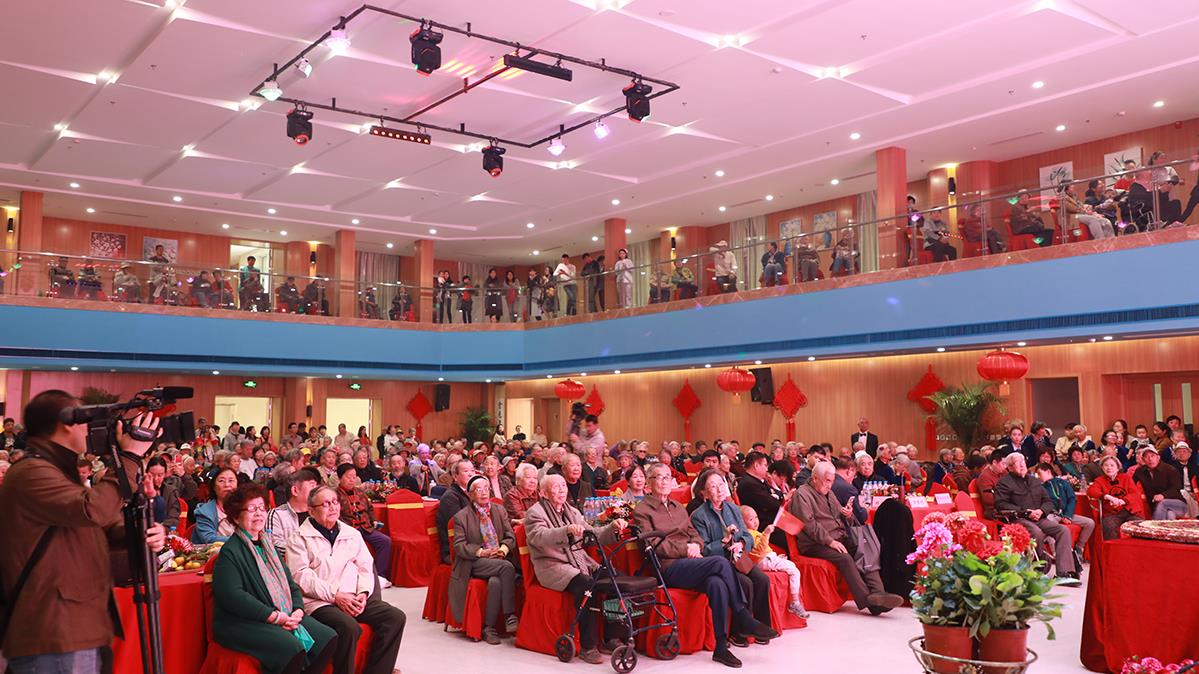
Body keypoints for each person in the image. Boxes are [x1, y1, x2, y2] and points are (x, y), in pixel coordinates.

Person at [0, 392, 165, 673]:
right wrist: (129, 456)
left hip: (76, 626)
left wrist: (144, 530)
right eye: (85, 420)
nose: (89, 430)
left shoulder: (59, 471)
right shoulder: (30, 473)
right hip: (54, 632)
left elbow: (99, 526)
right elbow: (92, 510)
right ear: (66, 424)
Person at [633, 463, 777, 668]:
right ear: (649, 483)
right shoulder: (642, 510)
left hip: (692, 562)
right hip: (668, 567)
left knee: (716, 583)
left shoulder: (677, 507)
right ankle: (742, 616)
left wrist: (695, 546)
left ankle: (720, 647)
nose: (665, 481)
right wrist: (686, 549)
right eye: (660, 477)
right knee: (720, 562)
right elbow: (653, 545)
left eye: (668, 477)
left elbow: (695, 536)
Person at [210, 482, 337, 674]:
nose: (259, 514)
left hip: (282, 612)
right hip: (242, 621)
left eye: (262, 508)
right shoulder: (230, 551)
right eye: (251, 509)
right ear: (236, 516)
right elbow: (233, 596)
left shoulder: (268, 546)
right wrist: (274, 616)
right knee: (290, 647)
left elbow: (290, 583)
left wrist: (297, 610)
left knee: (327, 637)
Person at [286, 486, 406, 674]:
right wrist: (335, 595)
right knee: (349, 627)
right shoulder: (299, 538)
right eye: (325, 504)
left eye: (335, 502)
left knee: (395, 617)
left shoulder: (351, 534)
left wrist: (363, 593)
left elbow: (366, 567)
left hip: (352, 597)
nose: (333, 507)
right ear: (311, 510)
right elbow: (300, 576)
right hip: (319, 602)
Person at [524, 474, 627, 664]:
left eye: (563, 486)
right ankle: (588, 646)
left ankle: (612, 636)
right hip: (552, 566)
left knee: (614, 578)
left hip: (579, 562)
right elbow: (540, 537)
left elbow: (593, 534)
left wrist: (612, 527)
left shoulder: (572, 511)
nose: (562, 490)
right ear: (544, 493)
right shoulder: (535, 513)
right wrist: (566, 531)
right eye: (556, 487)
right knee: (587, 585)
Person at [788, 462, 904, 613]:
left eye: (832, 481)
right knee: (845, 558)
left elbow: (840, 516)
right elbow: (809, 525)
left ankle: (879, 593)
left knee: (864, 546)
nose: (830, 485)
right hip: (814, 543)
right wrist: (830, 541)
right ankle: (870, 602)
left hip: (838, 537)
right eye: (827, 481)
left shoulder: (829, 492)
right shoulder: (802, 494)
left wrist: (848, 515)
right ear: (815, 478)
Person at [691, 470, 773, 636]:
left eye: (721, 484)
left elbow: (747, 536)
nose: (719, 489)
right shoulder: (698, 516)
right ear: (704, 492)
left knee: (762, 580)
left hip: (738, 558)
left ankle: (763, 627)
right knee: (746, 583)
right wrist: (724, 541)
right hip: (719, 563)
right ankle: (739, 632)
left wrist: (741, 543)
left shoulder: (733, 509)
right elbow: (703, 549)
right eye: (713, 486)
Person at [451, 476, 518, 644]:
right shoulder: (461, 517)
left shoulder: (499, 510)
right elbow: (459, 546)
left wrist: (503, 549)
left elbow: (510, 536)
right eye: (478, 489)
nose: (483, 493)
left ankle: (489, 629)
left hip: (498, 558)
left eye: (486, 488)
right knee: (506, 568)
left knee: (495, 582)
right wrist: (482, 552)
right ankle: (510, 615)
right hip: (474, 561)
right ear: (470, 494)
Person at [993, 453, 1079, 584]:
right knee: (1036, 532)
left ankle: (1064, 572)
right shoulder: (1004, 483)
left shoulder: (1034, 481)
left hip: (1039, 518)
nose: (1022, 464)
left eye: (1023, 461)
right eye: (1017, 462)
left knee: (1063, 530)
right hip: (1019, 519)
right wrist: (1026, 512)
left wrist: (1041, 511)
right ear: (1009, 467)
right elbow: (1001, 504)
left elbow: (1048, 501)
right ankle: (1038, 568)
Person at [739, 505, 808, 619]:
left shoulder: (754, 532)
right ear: (741, 522)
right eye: (751, 519)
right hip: (763, 560)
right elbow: (760, 551)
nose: (755, 521)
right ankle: (795, 602)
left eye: (756, 517)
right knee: (794, 569)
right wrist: (766, 533)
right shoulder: (748, 534)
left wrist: (776, 557)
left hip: (768, 558)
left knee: (788, 564)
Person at [333, 464, 392, 585]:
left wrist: (373, 520)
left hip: (365, 528)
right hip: (349, 530)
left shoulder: (360, 492)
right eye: (348, 477)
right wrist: (345, 529)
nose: (352, 480)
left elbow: (370, 509)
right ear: (340, 478)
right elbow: (336, 516)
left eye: (354, 477)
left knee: (385, 541)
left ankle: (379, 576)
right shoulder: (335, 495)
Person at [1034, 462, 1093, 571]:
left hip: (1065, 513)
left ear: (1048, 471)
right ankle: (1057, 555)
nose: (1038, 476)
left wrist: (1067, 515)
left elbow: (1072, 499)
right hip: (1051, 514)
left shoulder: (1063, 483)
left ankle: (1079, 547)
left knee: (1089, 523)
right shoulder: (1040, 487)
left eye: (1039, 473)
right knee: (1049, 525)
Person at [1087, 455, 1146, 540]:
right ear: (1102, 468)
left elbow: (1135, 493)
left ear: (1118, 468)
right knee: (1108, 525)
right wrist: (1107, 496)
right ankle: (1113, 547)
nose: (1109, 468)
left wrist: (1123, 501)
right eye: (1106, 465)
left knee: (1137, 525)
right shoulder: (1099, 480)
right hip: (1112, 513)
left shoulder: (1126, 477)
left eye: (1112, 465)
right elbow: (1091, 491)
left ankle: (1135, 547)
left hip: (1131, 511)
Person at [268, 468, 320, 554]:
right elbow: (273, 545)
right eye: (312, 486)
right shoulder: (277, 515)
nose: (317, 490)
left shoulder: (320, 512)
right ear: (295, 491)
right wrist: (306, 552)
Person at [436, 459, 475, 562]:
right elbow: (459, 528)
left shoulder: (474, 492)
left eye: (472, 470)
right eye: (466, 471)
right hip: (457, 551)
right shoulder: (451, 497)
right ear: (455, 476)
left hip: (475, 543)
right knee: (504, 566)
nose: (471, 474)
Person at [1132, 446, 1186, 520]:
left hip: (1178, 503)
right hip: (1155, 506)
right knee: (1170, 515)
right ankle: (1168, 527)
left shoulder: (1170, 470)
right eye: (1147, 457)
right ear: (1143, 459)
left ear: (1158, 457)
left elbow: (1176, 489)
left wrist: (1163, 495)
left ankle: (1154, 526)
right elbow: (1131, 484)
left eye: (1152, 456)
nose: (1150, 459)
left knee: (1163, 503)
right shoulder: (1140, 471)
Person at [194, 467, 241, 543]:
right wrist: (242, 541)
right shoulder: (204, 512)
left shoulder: (246, 507)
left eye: (231, 480)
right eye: (221, 481)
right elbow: (209, 538)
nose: (227, 485)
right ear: (214, 487)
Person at [145, 455, 182, 531]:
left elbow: (174, 516)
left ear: (165, 474)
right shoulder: (139, 490)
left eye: (160, 475)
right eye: (152, 475)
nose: (155, 479)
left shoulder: (171, 491)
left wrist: (163, 528)